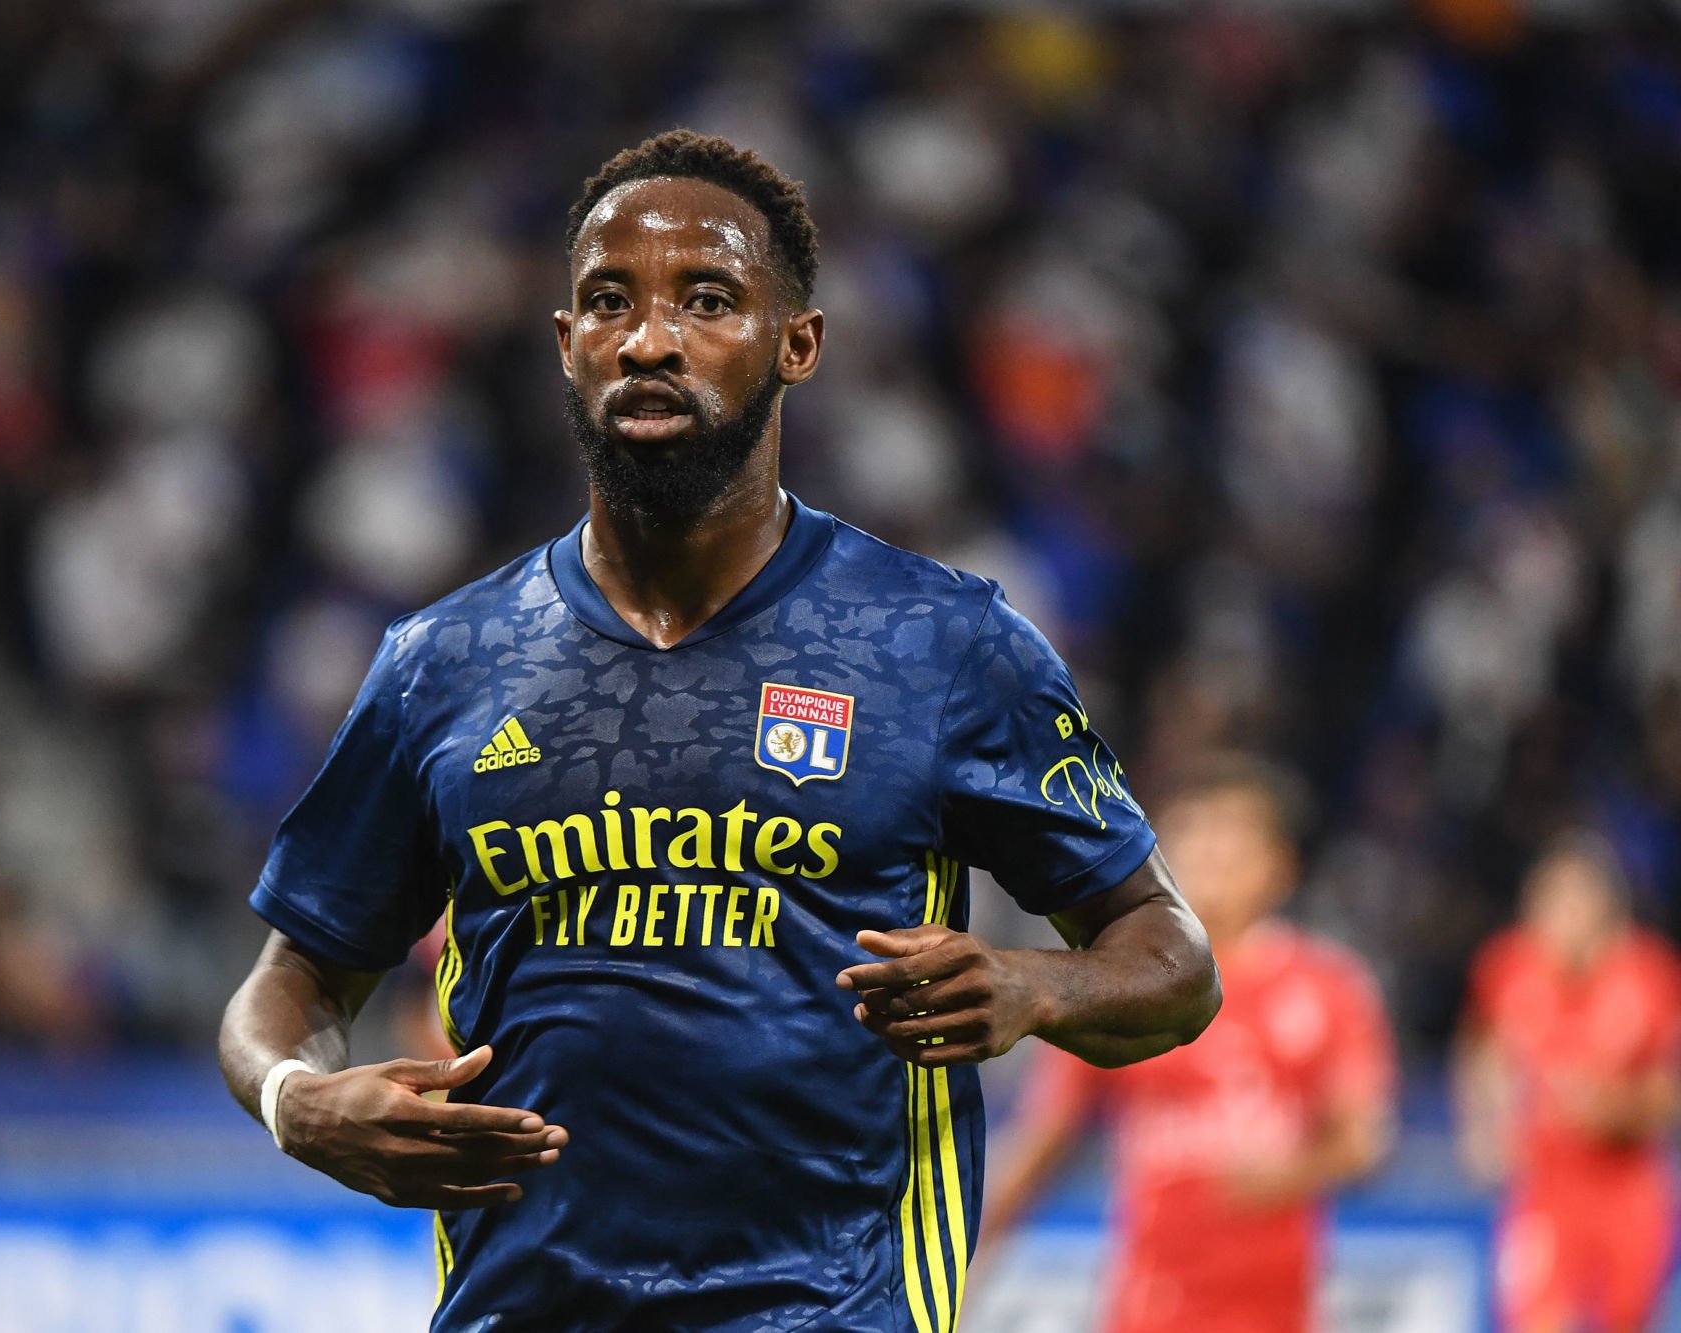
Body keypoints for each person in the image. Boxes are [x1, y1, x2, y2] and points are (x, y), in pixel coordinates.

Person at [217, 129, 1221, 1333]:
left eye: (706, 299)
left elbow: (1172, 959)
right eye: (608, 303)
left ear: (795, 343)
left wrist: (1033, 982)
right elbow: (291, 981)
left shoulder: (941, 644)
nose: (649, 339)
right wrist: (297, 1101)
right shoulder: (444, 662)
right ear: (565, 345)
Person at [976, 755, 1395, 1333]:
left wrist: (1289, 1174)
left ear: (1280, 866)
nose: (1211, 859)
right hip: (1148, 1308)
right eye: (1195, 840)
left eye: (1233, 843)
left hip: (1276, 1312)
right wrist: (972, 1251)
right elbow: (1045, 1137)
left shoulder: (1331, 987)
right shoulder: (1118, 981)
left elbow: (1363, 1142)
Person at [1455, 830, 1681, 1333]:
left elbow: (1669, 1093)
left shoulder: (1651, 974)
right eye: (1548, 902)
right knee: (1537, 1320)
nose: (1560, 918)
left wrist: (1616, 1111)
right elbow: (1479, 1050)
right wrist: (1482, 1129)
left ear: (1608, 911)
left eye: (1576, 902)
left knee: (1627, 1320)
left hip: (1628, 1186)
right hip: (1544, 1187)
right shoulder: (1507, 966)